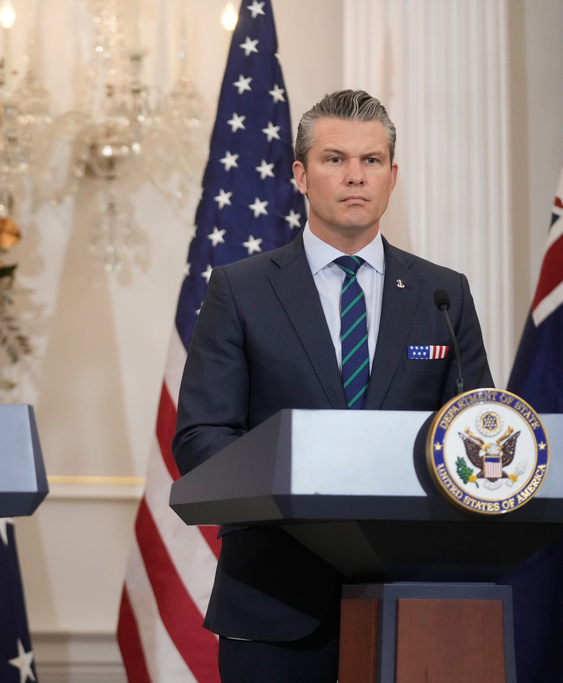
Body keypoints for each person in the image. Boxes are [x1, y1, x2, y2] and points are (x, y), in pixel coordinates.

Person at [172, 89, 494, 681]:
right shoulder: (240, 290)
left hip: (417, 599)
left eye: (371, 161)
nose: (354, 177)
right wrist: (299, 489)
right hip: (275, 602)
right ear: (300, 173)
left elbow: (475, 431)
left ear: (392, 177)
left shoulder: (443, 295)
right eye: (334, 159)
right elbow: (201, 436)